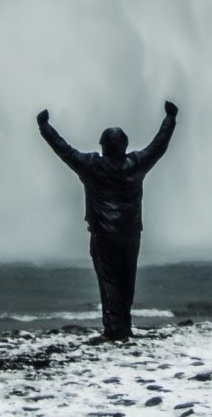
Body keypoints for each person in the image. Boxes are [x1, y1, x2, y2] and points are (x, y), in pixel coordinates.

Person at [37, 100, 178, 341]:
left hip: (103, 233)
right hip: (130, 233)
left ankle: (116, 331)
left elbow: (64, 150)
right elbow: (158, 146)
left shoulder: (92, 166)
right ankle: (120, 327)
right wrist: (170, 119)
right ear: (124, 146)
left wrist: (45, 127)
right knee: (126, 281)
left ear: (103, 146)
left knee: (109, 282)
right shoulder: (136, 164)